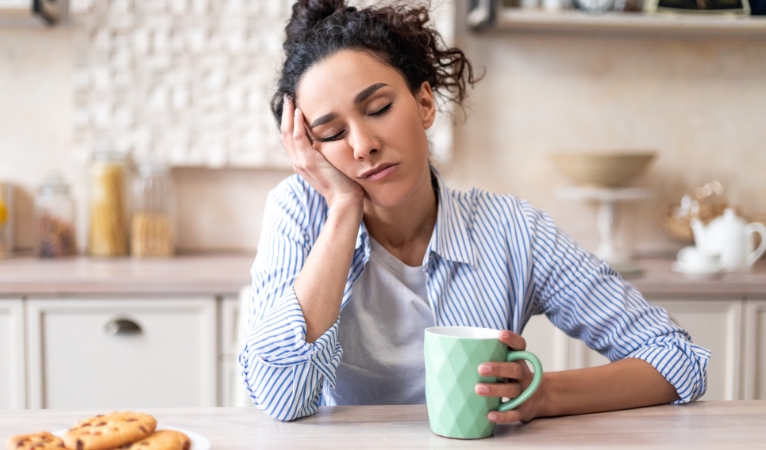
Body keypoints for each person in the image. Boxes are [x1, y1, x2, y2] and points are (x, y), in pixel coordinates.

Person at [238, 0, 709, 423]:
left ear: (424, 104)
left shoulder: (513, 230)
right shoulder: (298, 212)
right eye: (332, 134)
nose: (364, 145)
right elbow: (280, 398)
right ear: (310, 151)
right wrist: (344, 208)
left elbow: (677, 359)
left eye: (378, 108)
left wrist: (542, 394)